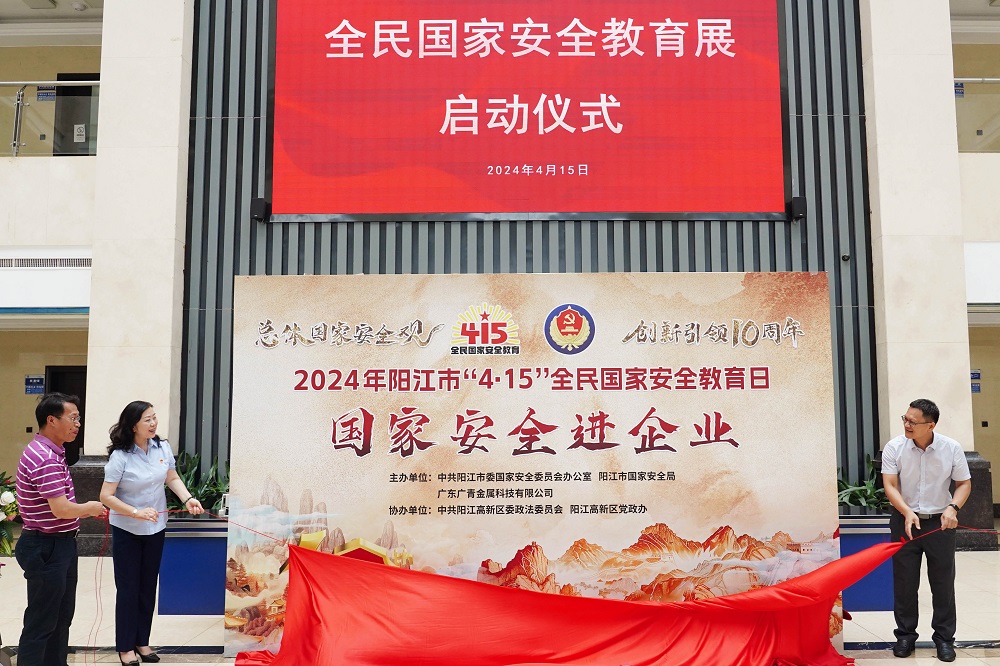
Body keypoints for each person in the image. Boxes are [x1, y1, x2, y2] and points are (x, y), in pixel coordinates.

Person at [99, 401, 204, 666]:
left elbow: (171, 477)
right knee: (128, 588)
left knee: (147, 586)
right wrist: (135, 512)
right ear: (133, 425)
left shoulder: (162, 447)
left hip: (155, 527)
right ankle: (125, 647)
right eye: (147, 419)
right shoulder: (120, 456)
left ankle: (141, 642)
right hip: (127, 529)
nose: (153, 423)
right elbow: (106, 496)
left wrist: (187, 498)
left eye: (154, 417)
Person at [15, 392, 108, 666]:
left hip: (60, 543)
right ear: (51, 420)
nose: (77, 424)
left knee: (60, 617)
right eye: (73, 418)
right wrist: (90, 507)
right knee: (42, 621)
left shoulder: (52, 452)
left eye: (79, 418)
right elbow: (61, 509)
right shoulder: (44, 457)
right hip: (46, 545)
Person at [881, 398, 972, 663]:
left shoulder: (951, 448)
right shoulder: (894, 447)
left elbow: (964, 483)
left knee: (943, 584)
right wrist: (906, 511)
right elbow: (890, 485)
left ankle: (944, 639)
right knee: (905, 582)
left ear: (930, 425)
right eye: (905, 419)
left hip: (939, 524)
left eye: (913, 421)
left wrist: (953, 508)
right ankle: (905, 636)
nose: (906, 425)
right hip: (904, 521)